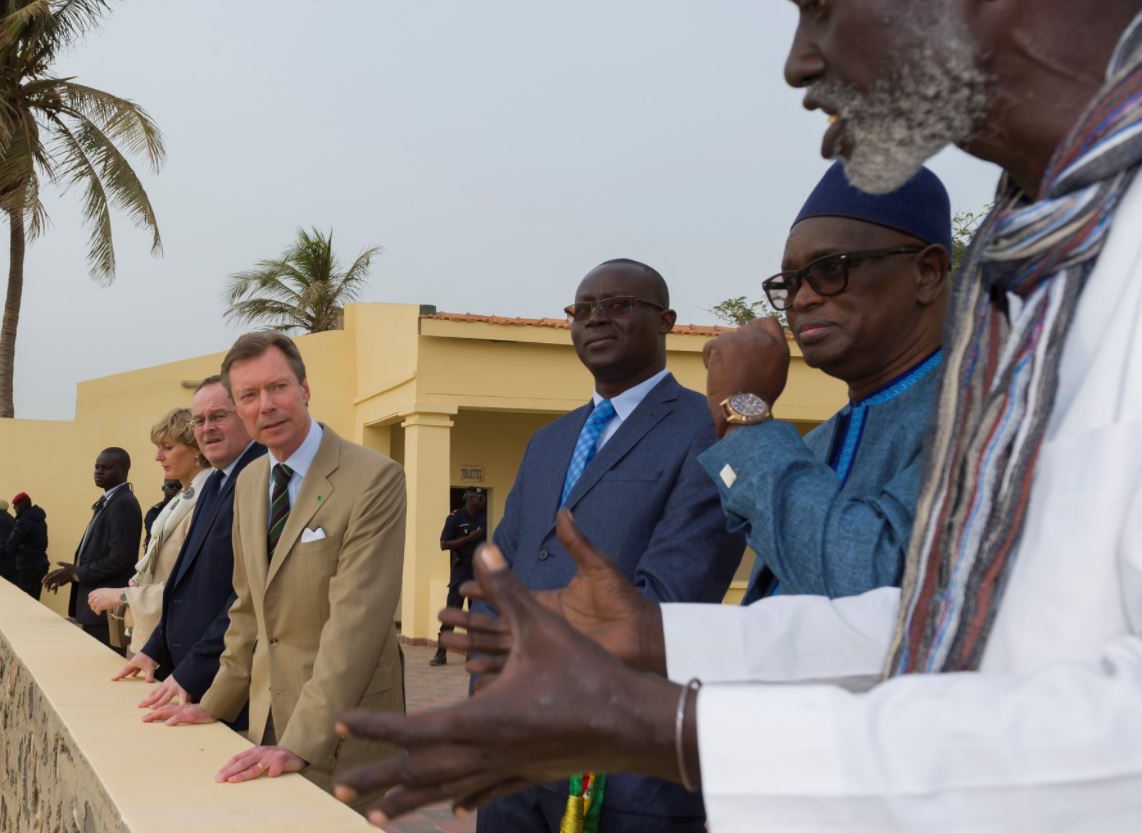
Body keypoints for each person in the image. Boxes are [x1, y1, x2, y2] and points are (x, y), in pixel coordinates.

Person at [331, 3, 1142, 830]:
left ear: (929, 273)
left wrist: (680, 727)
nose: (797, 63)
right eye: (792, 283)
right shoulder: (1035, 285)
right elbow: (933, 623)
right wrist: (659, 637)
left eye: (822, 7)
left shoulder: (775, 421)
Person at [471, 259, 744, 833]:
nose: (597, 319)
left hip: (625, 767)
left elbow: (674, 591)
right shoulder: (548, 443)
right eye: (583, 309)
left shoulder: (708, 430)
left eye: (619, 305)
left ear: (666, 320)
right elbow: (498, 576)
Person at [141, 331, 406, 809]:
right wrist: (212, 703)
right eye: (249, 395)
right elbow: (246, 610)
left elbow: (357, 624)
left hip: (345, 727)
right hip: (266, 716)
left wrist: (300, 742)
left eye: (278, 387)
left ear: (304, 389)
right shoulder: (248, 482)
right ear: (240, 408)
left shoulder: (374, 478)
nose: (266, 405)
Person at [703, 162, 951, 601]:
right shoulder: (811, 447)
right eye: (790, 283)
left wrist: (744, 418)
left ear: (927, 273)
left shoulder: (980, 413)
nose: (801, 299)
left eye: (831, 269)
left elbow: (871, 585)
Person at [112, 379, 266, 728]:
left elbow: (244, 599)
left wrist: (192, 673)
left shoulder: (259, 478)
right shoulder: (216, 482)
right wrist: (155, 649)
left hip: (229, 683)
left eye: (219, 416)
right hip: (189, 676)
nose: (207, 428)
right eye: (199, 420)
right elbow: (187, 584)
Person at [88, 409, 211, 655]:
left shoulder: (206, 502)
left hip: (183, 642)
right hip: (161, 634)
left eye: (167, 447)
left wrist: (123, 596)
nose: (157, 457)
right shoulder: (182, 500)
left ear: (196, 448)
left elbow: (196, 587)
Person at [44, 447, 143, 649]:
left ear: (124, 469)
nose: (98, 471)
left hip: (105, 612)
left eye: (106, 468)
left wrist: (77, 573)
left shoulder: (124, 504)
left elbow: (120, 558)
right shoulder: (110, 501)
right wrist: (72, 571)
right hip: (94, 609)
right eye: (97, 467)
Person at [430, 487, 487, 667]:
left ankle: (472, 653)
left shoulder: (481, 519)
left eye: (483, 496)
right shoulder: (455, 518)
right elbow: (443, 544)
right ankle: (441, 653)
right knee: (453, 611)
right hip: (461, 569)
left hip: (477, 569)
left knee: (476, 611)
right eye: (478, 496)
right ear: (469, 498)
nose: (481, 499)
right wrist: (469, 538)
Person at [5, 492, 49, 599]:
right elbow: (43, 544)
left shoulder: (24, 521)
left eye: (15, 507)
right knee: (35, 599)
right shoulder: (40, 519)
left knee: (25, 601)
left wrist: (20, 546)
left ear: (20, 506)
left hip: (28, 567)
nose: (14, 509)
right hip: (41, 565)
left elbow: (10, 545)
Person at [142, 479, 182, 549]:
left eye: (179, 487)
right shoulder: (154, 512)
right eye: (171, 486)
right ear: (163, 488)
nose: (175, 489)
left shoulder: (186, 511)